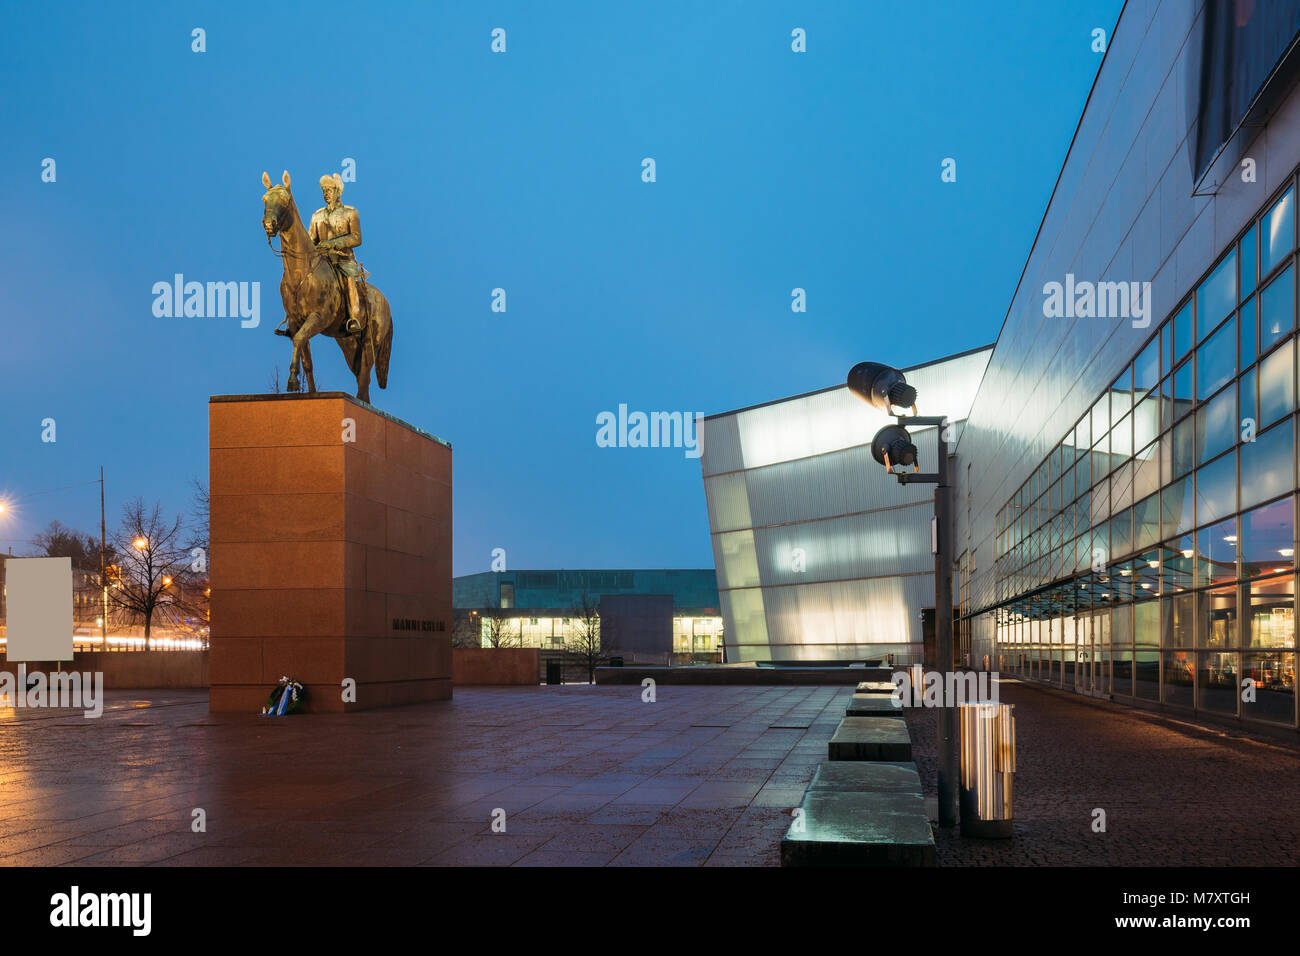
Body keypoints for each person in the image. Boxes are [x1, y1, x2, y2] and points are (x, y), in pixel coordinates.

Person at [309, 173, 367, 333]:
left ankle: (354, 316)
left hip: (343, 260)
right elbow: (311, 241)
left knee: (349, 279)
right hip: (323, 262)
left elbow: (356, 238)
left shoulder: (350, 213)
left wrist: (332, 244)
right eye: (323, 190)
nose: (326, 193)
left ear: (338, 191)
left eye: (329, 190)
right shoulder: (317, 216)